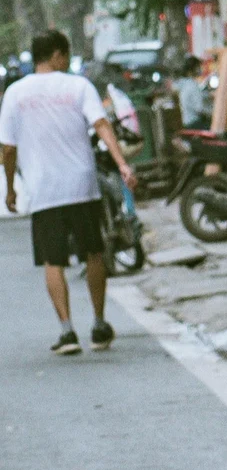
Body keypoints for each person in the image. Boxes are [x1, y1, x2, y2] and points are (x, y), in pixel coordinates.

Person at [0, 29, 138, 354]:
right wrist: (122, 164)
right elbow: (102, 125)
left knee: (53, 260)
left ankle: (67, 331)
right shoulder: (78, 86)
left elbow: (7, 149)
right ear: (59, 54)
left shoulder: (15, 94)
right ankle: (100, 324)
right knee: (93, 252)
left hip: (43, 189)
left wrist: (10, 189)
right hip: (82, 184)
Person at [175, 55, 208, 128]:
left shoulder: (183, 84)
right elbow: (199, 109)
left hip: (186, 122)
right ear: (193, 69)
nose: (200, 69)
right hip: (195, 123)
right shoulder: (193, 85)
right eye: (198, 67)